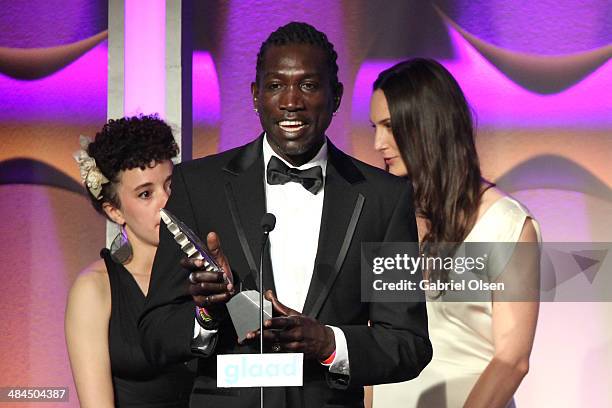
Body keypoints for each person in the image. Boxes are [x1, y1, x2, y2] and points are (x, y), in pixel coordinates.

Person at [139, 22, 432, 408]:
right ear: (256, 96)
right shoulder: (198, 186)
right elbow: (153, 334)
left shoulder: (383, 199)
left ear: (337, 95)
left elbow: (408, 343)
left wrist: (328, 342)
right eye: (276, 86)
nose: (291, 101)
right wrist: (206, 314)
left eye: (308, 85)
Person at [368, 58, 540, 407]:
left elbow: (512, 359)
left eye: (389, 126)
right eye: (375, 127)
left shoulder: (505, 223)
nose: (377, 144)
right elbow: (375, 342)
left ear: (428, 125)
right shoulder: (386, 217)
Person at [65, 115, 194, 407]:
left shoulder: (208, 271)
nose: (166, 201)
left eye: (171, 185)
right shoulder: (95, 290)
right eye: (146, 194)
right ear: (115, 212)